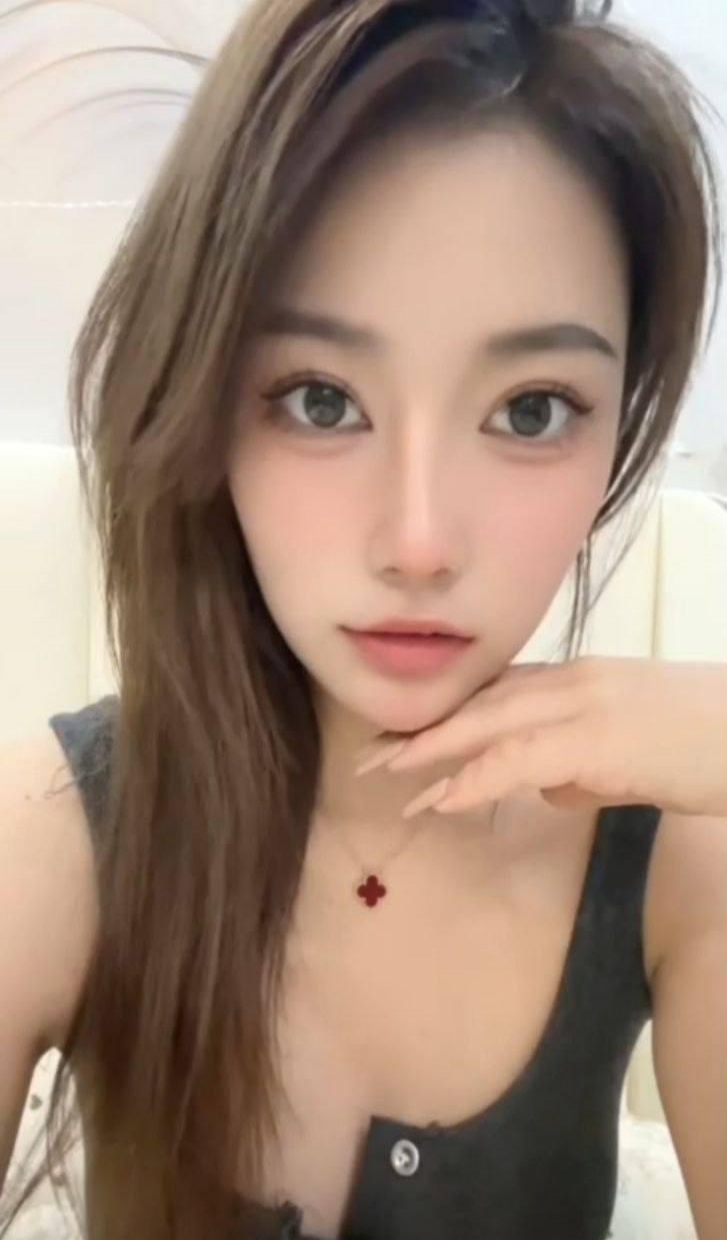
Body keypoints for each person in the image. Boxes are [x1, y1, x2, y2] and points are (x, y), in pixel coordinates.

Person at [1, 1, 726, 1238]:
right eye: (320, 399)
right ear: (200, 402)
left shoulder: (677, 860)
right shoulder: (56, 846)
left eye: (533, 410)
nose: (420, 541)